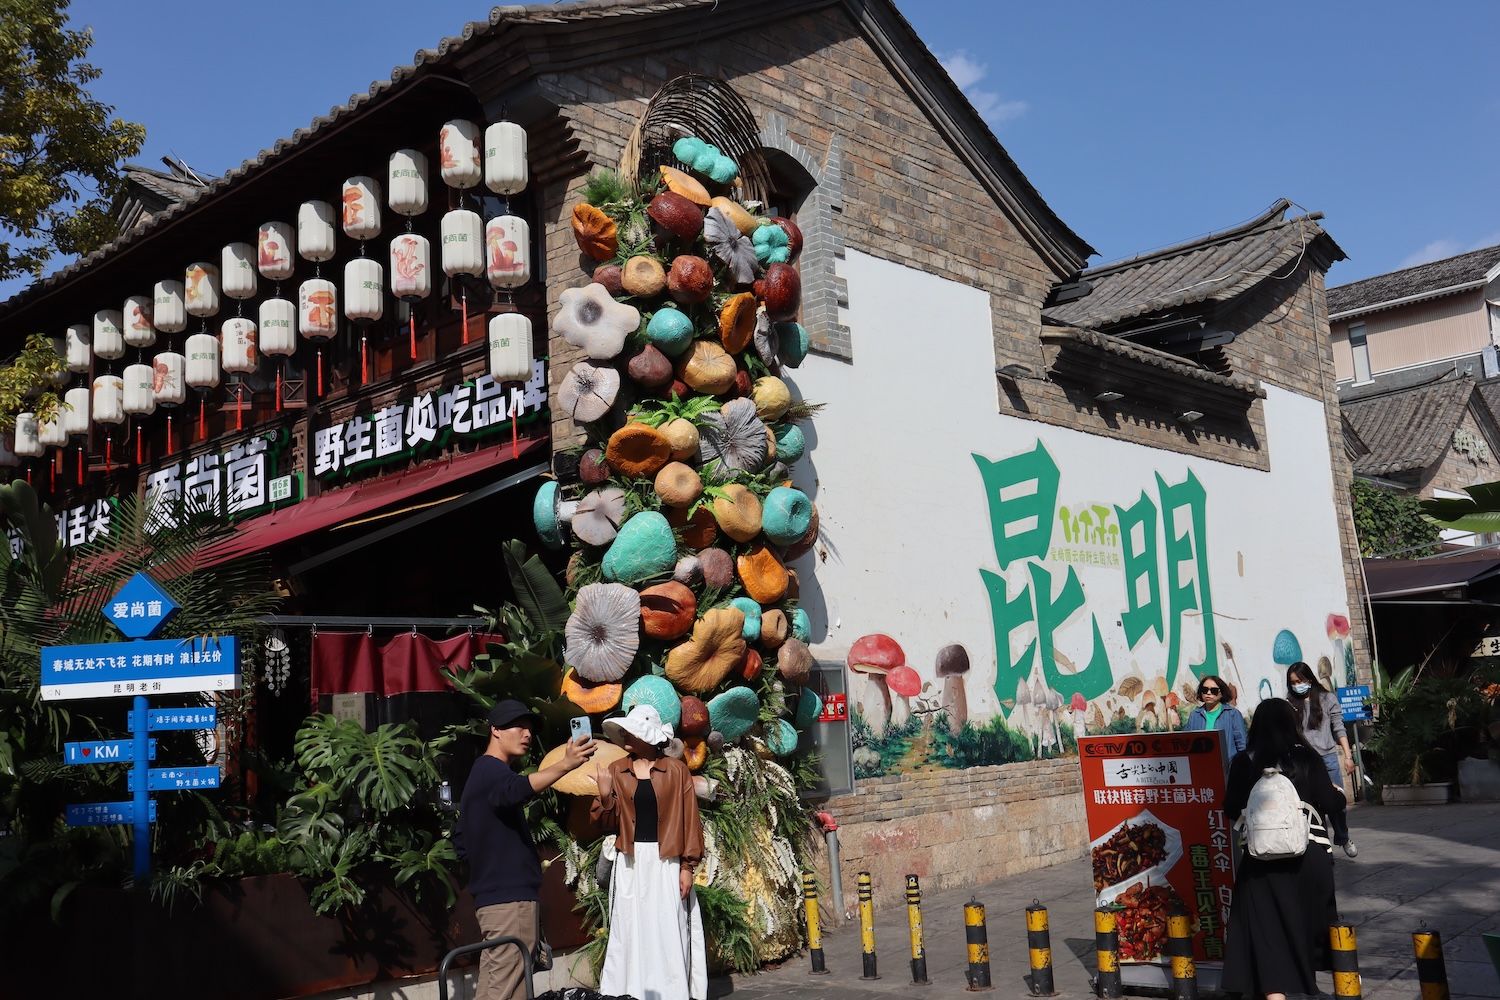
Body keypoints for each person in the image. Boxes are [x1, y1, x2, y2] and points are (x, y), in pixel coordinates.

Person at [456, 699, 597, 1000]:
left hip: (499, 899)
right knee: (507, 989)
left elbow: (461, 841)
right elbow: (516, 790)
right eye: (518, 726)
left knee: (500, 986)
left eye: (530, 729)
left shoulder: (482, 775)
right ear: (495, 729)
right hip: (508, 901)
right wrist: (566, 764)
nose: (527, 734)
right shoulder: (491, 771)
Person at [1222, 698, 1347, 1000]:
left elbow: (1230, 809)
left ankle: (1274, 994)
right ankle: (1306, 984)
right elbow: (1330, 804)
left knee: (1267, 932)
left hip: (1260, 861)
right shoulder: (1306, 758)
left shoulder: (1244, 761)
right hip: (1308, 857)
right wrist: (1339, 797)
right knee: (1304, 925)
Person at [592, 704, 707, 1000]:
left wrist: (687, 866)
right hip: (630, 861)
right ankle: (629, 992)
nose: (624, 735)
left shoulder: (676, 770)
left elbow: (689, 820)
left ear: (648, 736)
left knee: (668, 928)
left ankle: (672, 992)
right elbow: (605, 823)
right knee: (629, 928)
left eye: (631, 730)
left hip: (666, 860)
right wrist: (605, 796)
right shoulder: (617, 770)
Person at [1286, 661, 1358, 857]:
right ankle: (1322, 846)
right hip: (1303, 762)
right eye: (1292, 682)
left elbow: (1338, 727)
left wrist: (1348, 756)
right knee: (1312, 806)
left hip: (1327, 759)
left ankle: (1343, 837)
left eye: (1299, 681)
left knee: (1336, 803)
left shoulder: (1327, 699)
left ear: (1309, 679)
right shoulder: (1290, 703)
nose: (1296, 685)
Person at [1184, 674, 1248, 757]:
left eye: (1213, 690)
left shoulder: (1233, 714)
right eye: (1205, 690)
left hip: (1228, 766)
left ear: (1222, 693)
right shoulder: (1195, 715)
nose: (1208, 693)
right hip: (1201, 765)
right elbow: (1187, 742)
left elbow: (1242, 745)